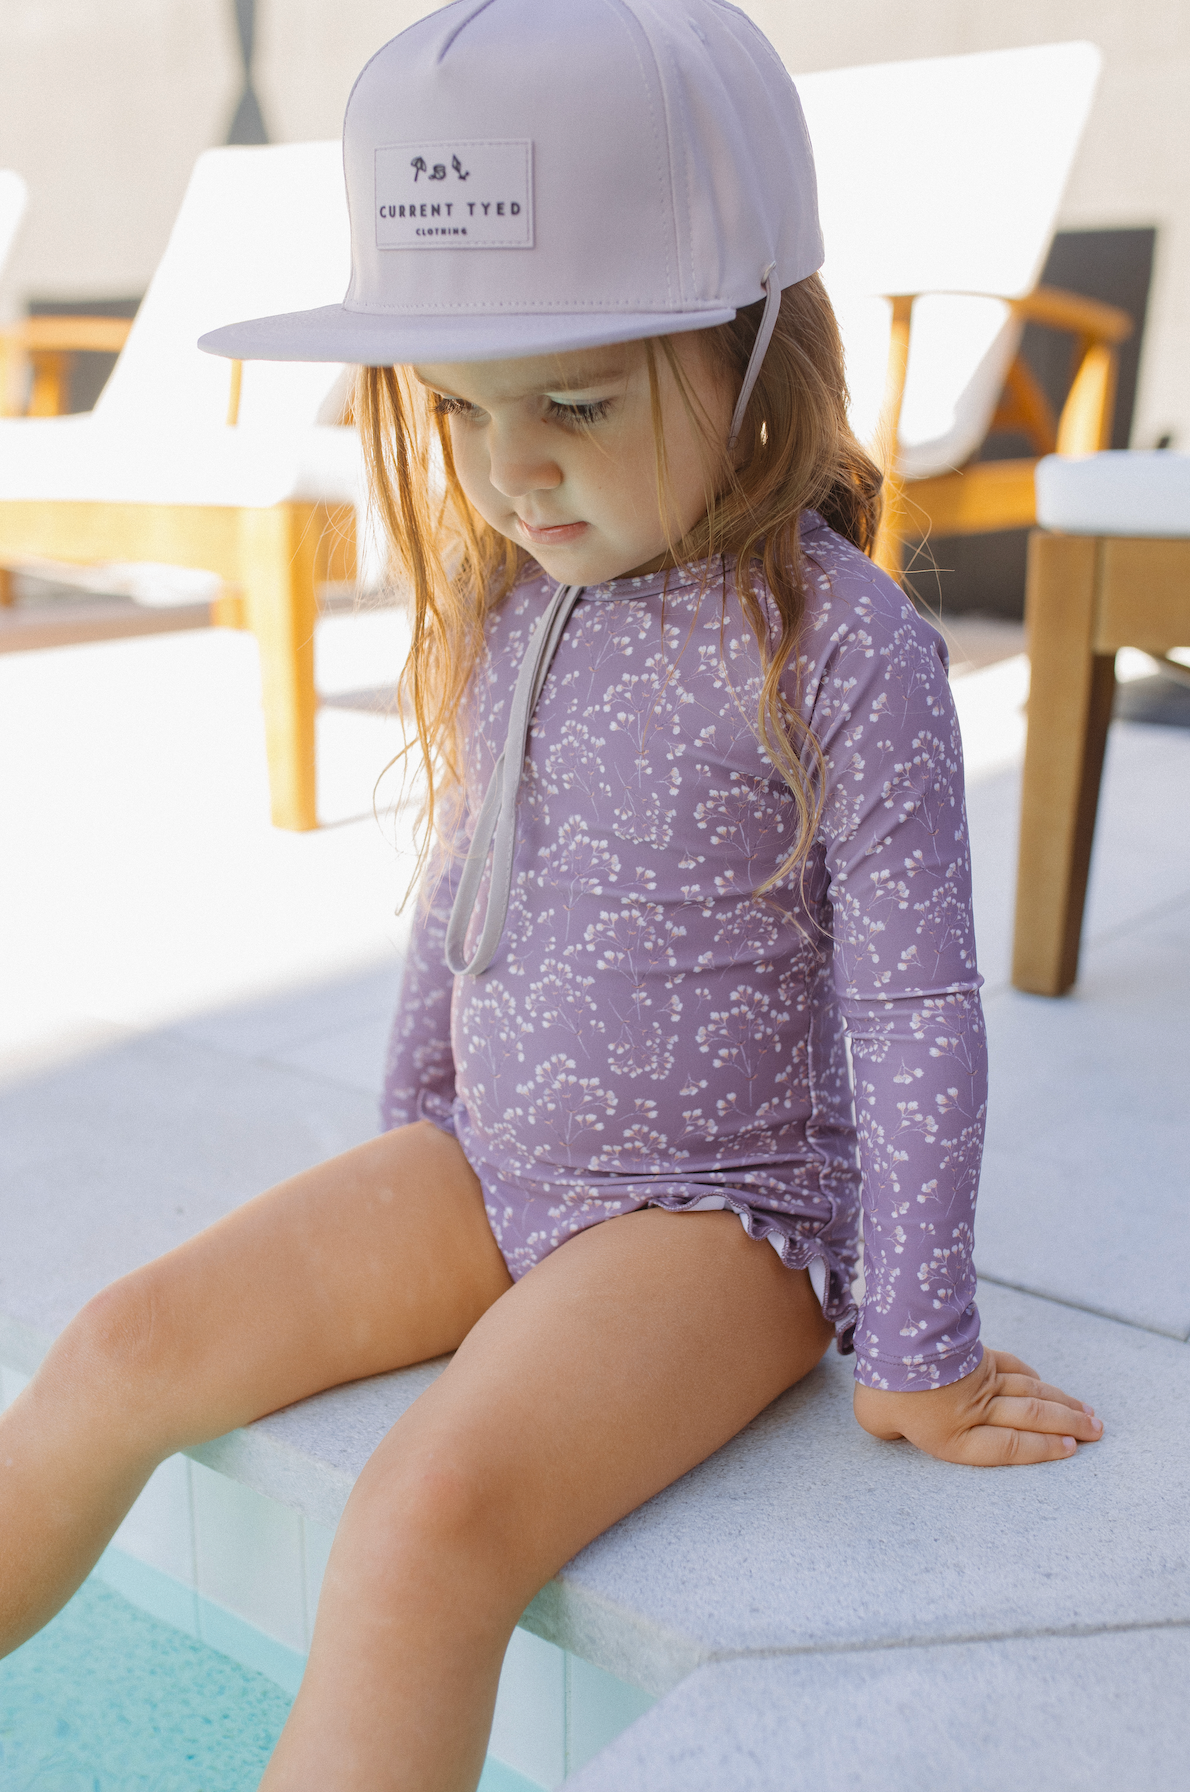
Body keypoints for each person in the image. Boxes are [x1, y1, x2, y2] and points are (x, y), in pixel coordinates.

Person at [0, 3, 1102, 1787]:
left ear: (755, 354)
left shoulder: (842, 649)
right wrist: (411, 1127)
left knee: (426, 1518)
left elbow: (910, 1009)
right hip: (490, 1165)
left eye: (571, 405)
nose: (508, 469)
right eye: (459, 410)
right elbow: (469, 869)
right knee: (121, 1341)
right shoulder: (524, 599)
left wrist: (916, 1344)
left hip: (718, 1215)